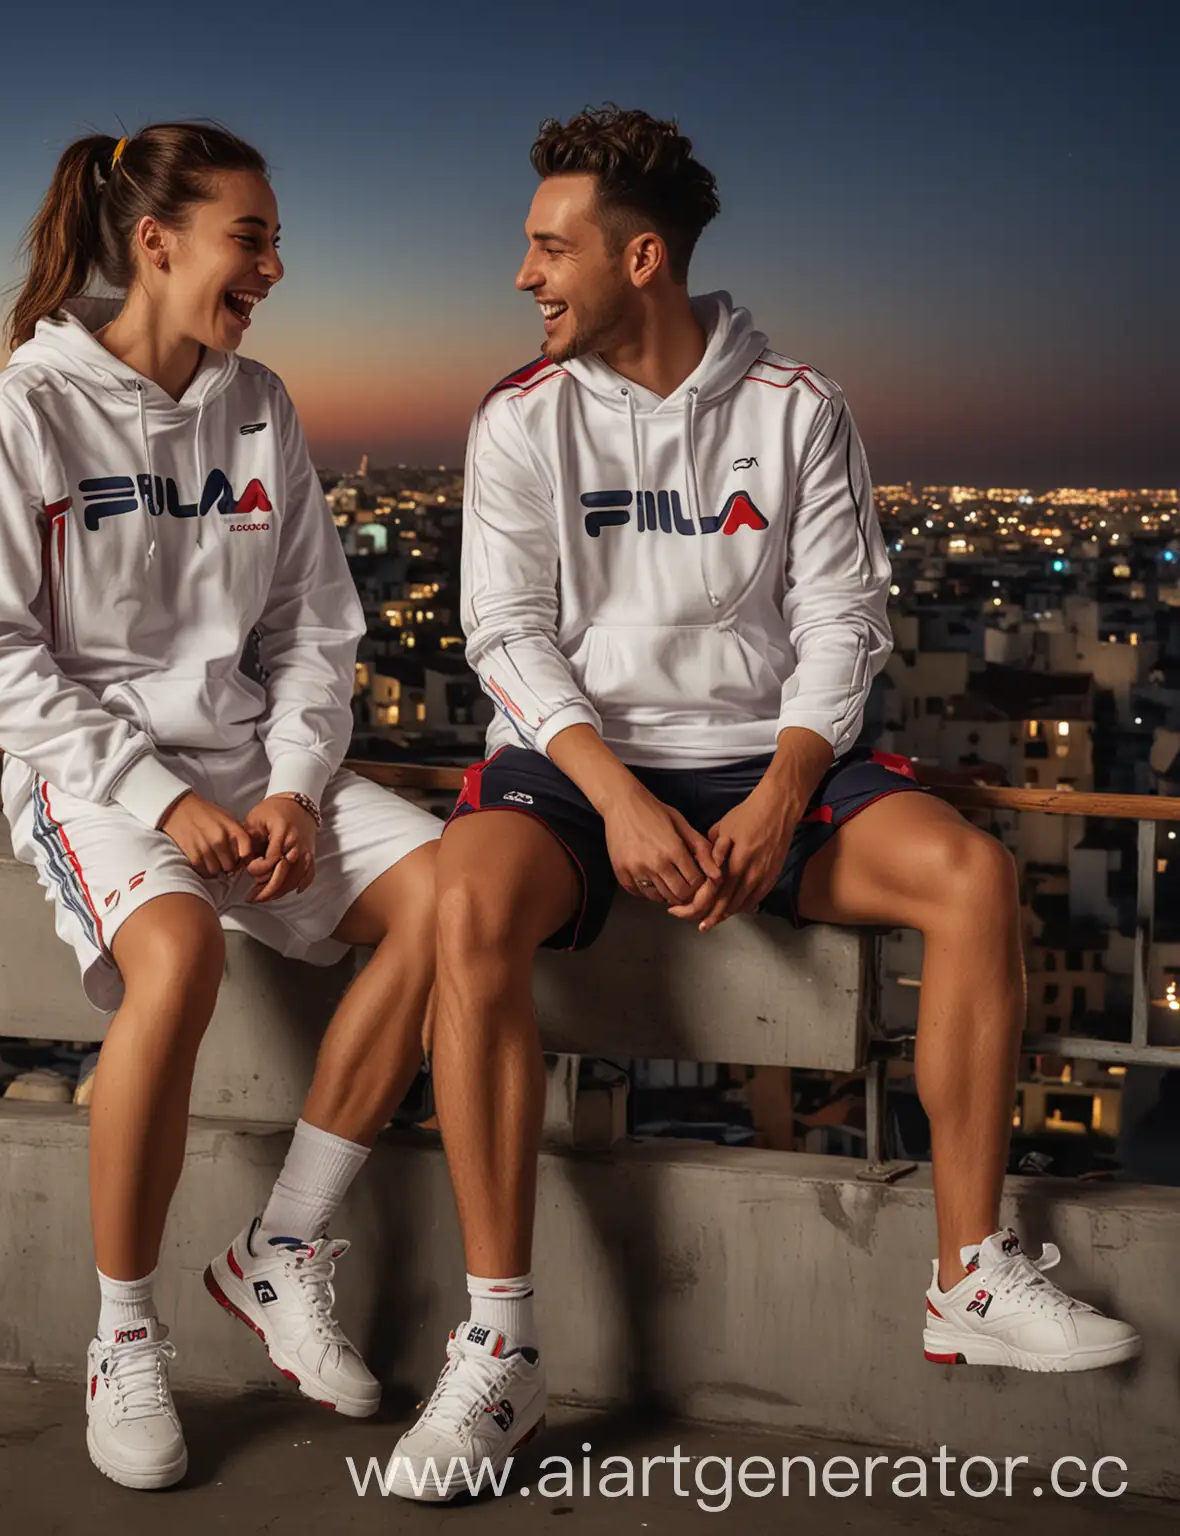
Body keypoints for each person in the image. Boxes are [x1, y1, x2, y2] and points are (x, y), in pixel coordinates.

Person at [387, 105, 1140, 1498]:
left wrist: (788, 791)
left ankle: (968, 1273)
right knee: (468, 903)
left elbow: (846, 622)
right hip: (578, 760)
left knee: (972, 880)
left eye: (549, 249)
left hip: (766, 757)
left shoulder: (800, 409)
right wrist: (615, 798)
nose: (523, 275)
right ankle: (498, 1346)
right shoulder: (518, 421)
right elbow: (506, 633)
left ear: (646, 258)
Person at [0, 122, 442, 1492]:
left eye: (275, 238)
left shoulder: (260, 403)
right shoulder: (22, 414)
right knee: (175, 965)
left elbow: (314, 633)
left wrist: (288, 787)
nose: (276, 264)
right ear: (156, 243)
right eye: (252, 236)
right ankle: (124, 1333)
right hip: (96, 780)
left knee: (454, 901)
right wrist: (161, 799)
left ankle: (279, 1254)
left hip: (253, 767)